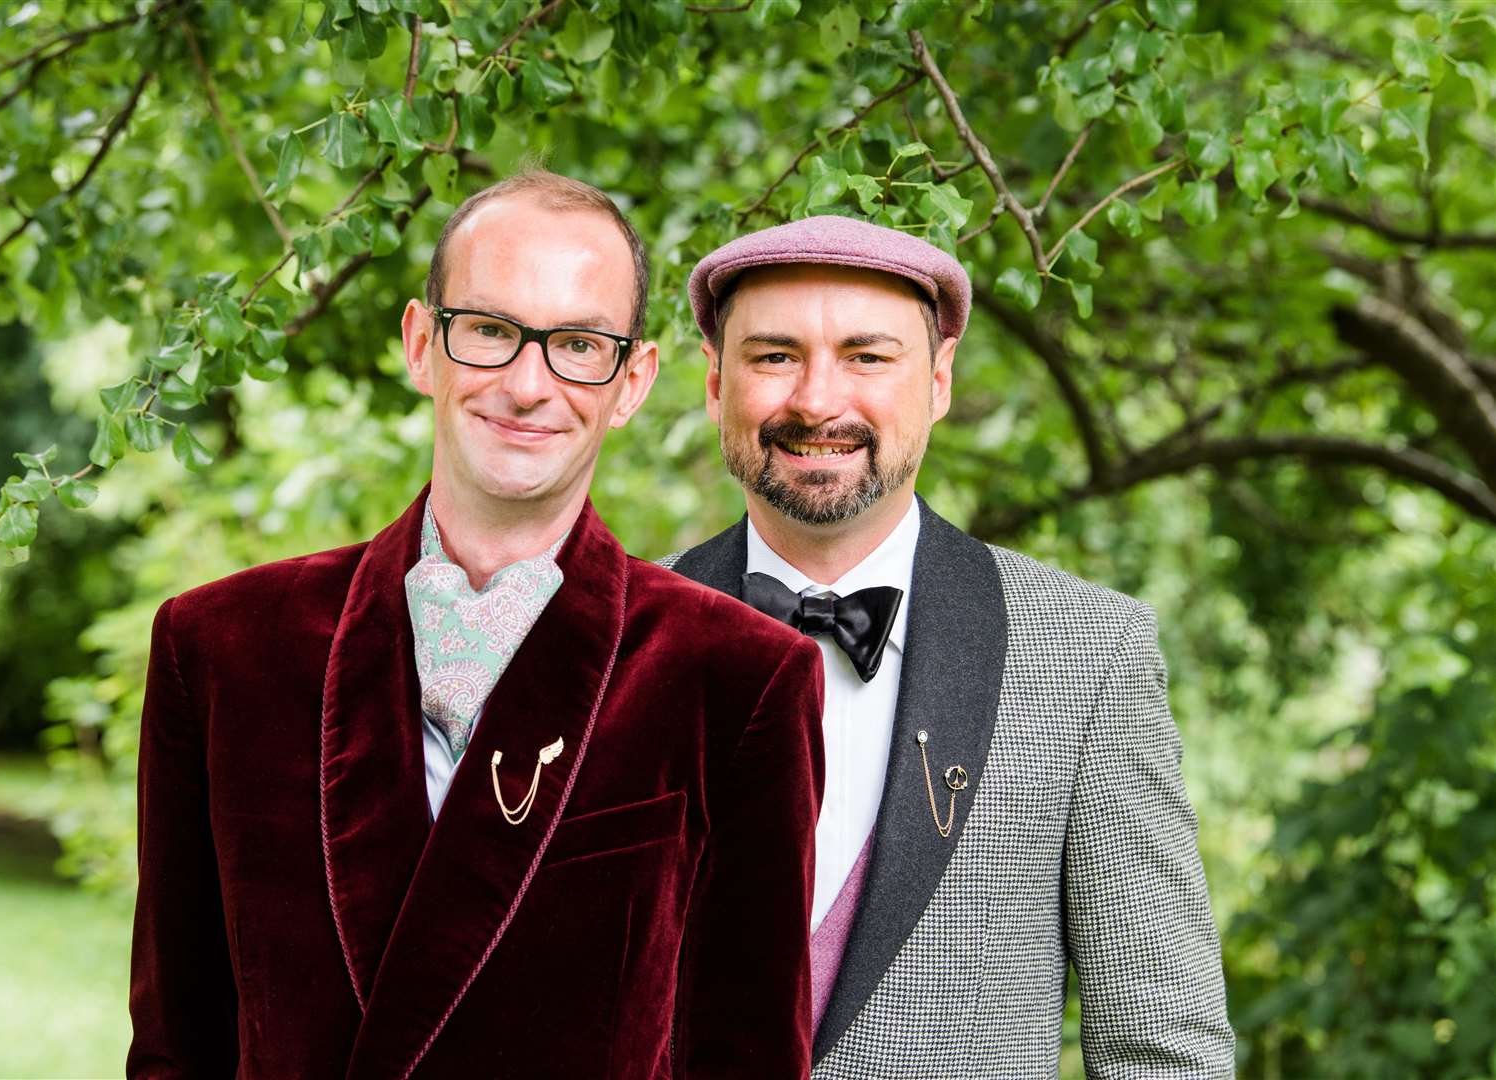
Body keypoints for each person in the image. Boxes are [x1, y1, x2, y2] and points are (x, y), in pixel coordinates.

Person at [127, 171, 826, 1079]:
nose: (528, 385)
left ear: (633, 381)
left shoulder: (738, 679)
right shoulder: (219, 648)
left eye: (578, 344)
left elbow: (749, 1057)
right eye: (492, 332)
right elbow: (176, 1048)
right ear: (423, 344)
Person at [663, 214, 1235, 1077]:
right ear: (715, 385)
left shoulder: (1089, 654)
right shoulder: (612, 634)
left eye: (867, 356)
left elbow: (1164, 1047)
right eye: (775, 356)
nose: (818, 400)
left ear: (937, 381)